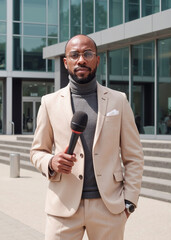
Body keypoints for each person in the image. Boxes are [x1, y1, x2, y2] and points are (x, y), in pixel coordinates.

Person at [30, 35, 144, 240]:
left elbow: (134, 156)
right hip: (62, 207)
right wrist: (51, 161)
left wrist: (129, 202)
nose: (81, 60)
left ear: (97, 60)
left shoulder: (118, 100)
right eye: (74, 55)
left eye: (87, 54)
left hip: (108, 207)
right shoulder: (49, 102)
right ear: (66, 62)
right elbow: (37, 151)